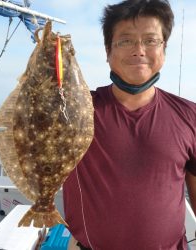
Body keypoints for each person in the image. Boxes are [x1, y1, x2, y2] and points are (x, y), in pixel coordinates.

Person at [63, 0, 196, 249]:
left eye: (150, 40)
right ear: (107, 51)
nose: (139, 50)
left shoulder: (190, 115)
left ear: (164, 48)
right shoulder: (73, 110)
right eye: (125, 40)